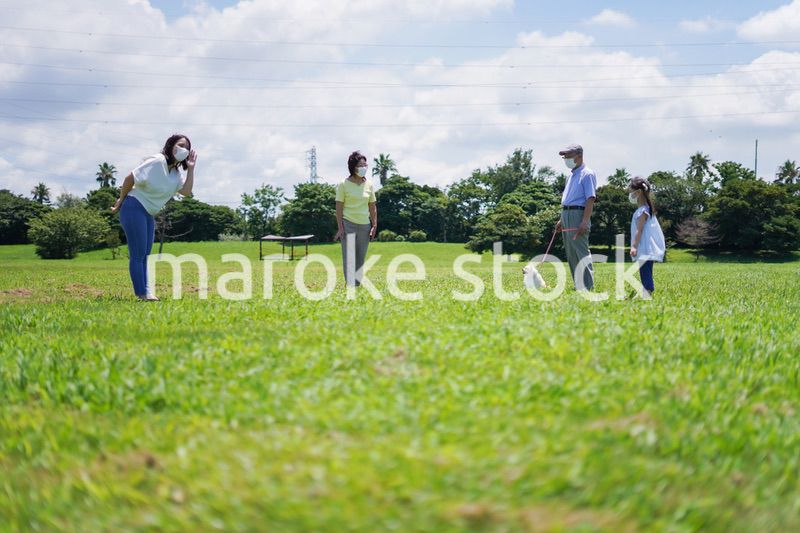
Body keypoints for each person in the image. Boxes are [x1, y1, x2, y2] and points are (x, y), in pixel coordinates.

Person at [111, 134, 197, 300]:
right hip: (134, 206)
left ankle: (146, 291)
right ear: (170, 145)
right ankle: (142, 293)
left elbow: (186, 191)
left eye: (187, 147)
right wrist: (120, 200)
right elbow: (130, 178)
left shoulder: (175, 174)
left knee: (145, 254)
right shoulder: (157, 161)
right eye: (180, 145)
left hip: (148, 213)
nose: (184, 149)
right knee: (138, 254)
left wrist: (191, 169)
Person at [556, 144, 596, 290]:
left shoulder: (587, 174)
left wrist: (585, 221)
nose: (566, 159)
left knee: (580, 251)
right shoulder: (570, 176)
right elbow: (569, 198)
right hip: (566, 214)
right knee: (571, 253)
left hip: (578, 214)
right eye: (564, 156)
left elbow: (590, 199)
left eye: (568, 155)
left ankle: (588, 285)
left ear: (579, 155)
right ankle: (579, 284)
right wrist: (561, 219)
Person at [334, 151, 377, 287]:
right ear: (353, 167)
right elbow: (339, 208)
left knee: (360, 258)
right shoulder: (343, 184)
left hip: (365, 226)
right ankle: (350, 285)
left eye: (365, 165)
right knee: (350, 258)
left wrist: (374, 225)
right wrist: (340, 228)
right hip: (348, 225)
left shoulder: (369, 185)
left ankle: (356, 285)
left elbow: (372, 207)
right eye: (360, 165)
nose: (363, 168)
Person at [628, 176, 665, 298]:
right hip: (645, 247)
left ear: (638, 192)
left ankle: (647, 291)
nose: (630, 195)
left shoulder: (642, 211)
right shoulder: (645, 209)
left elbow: (639, 230)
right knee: (645, 270)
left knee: (645, 270)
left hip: (644, 247)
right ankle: (646, 290)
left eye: (631, 191)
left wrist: (634, 246)